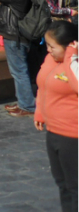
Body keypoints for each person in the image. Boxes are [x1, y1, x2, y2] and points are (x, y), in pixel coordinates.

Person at [34, 21, 77, 212]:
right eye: (47, 45)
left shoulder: (74, 64)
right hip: (53, 132)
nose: (48, 50)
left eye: (52, 46)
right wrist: (40, 111)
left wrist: (71, 58)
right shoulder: (51, 59)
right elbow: (43, 85)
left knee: (75, 185)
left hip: (73, 135)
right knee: (62, 182)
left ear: (69, 46)